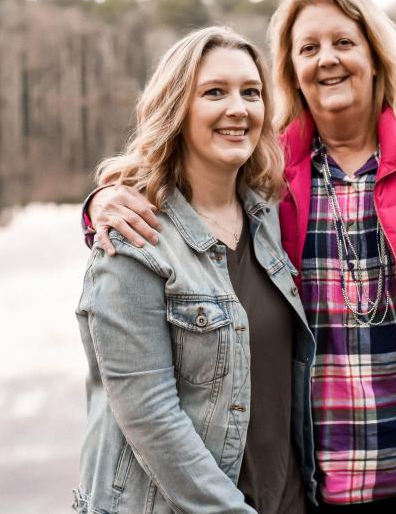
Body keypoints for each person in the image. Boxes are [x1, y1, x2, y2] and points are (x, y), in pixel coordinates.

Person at [85, 0, 396, 514]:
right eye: (308, 48)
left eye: (344, 43)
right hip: (314, 484)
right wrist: (102, 203)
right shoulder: (271, 170)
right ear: (292, 72)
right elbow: (182, 209)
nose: (327, 60)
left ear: (376, 56)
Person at [74, 26, 316, 514]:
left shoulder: (269, 216)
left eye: (251, 92)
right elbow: (150, 417)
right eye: (214, 93)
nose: (238, 109)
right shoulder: (134, 243)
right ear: (177, 109)